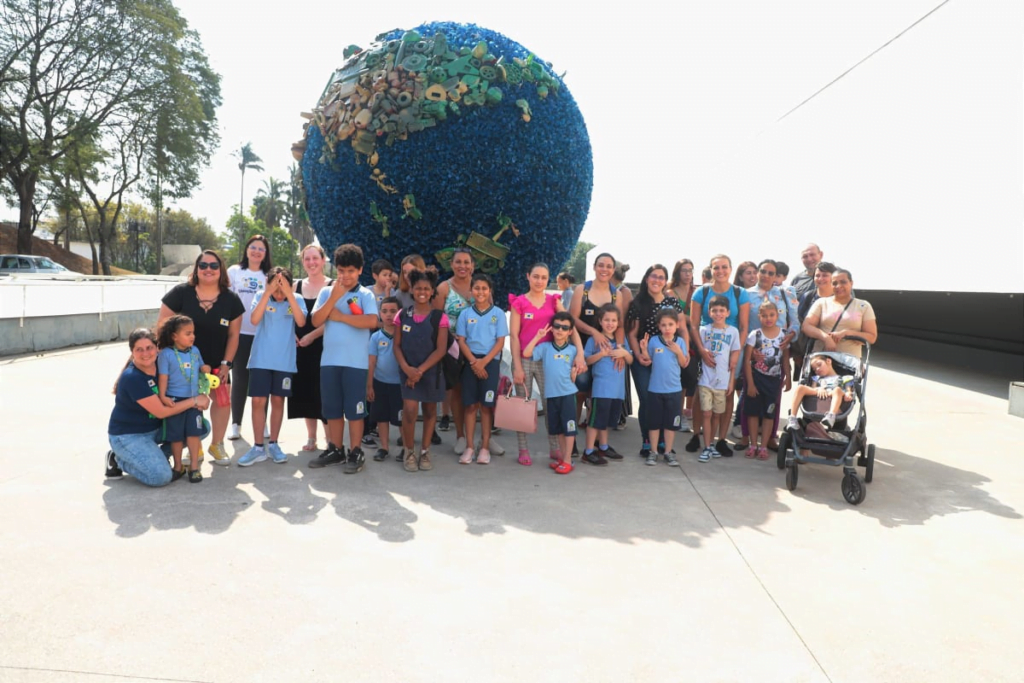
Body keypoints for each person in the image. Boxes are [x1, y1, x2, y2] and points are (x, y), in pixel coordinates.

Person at [159, 250, 243, 465]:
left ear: (221, 270)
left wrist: (227, 363)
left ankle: (217, 444)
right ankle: (194, 449)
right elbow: (162, 326)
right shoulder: (180, 293)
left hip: (217, 364)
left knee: (223, 402)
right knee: (191, 404)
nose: (208, 270)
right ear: (196, 269)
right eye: (203, 265)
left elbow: (234, 335)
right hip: (182, 364)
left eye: (214, 266)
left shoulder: (231, 299)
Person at [107, 329, 213, 486]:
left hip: (156, 429)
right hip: (129, 436)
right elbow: (161, 412)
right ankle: (118, 458)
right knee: (160, 477)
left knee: (200, 428)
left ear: (157, 347)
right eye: (139, 349)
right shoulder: (132, 378)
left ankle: (151, 457)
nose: (145, 353)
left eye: (149, 347)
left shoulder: (162, 364)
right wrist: (195, 401)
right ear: (132, 352)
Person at [309, 244, 379, 474]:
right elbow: (316, 320)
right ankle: (336, 449)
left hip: (356, 364)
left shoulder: (365, 294)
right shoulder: (327, 292)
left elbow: (371, 322)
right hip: (329, 362)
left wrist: (339, 316)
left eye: (350, 271)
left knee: (355, 410)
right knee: (332, 409)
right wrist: (335, 298)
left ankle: (356, 450)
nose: (345, 276)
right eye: (341, 270)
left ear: (360, 270)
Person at [509, 262, 586, 465]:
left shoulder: (553, 300)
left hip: (549, 361)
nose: (539, 281)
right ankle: (523, 448)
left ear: (548, 279)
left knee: (550, 403)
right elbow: (514, 337)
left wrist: (580, 354)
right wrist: (517, 366)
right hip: (525, 358)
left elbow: (571, 326)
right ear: (528, 276)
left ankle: (554, 448)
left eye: (543, 277)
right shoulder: (519, 303)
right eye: (536, 276)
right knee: (522, 407)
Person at [237, 267, 308, 467]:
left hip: (284, 362)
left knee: (278, 401)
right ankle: (258, 447)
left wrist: (288, 293)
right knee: (258, 401)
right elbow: (254, 319)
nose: (278, 294)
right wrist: (268, 291)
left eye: (281, 289)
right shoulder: (262, 296)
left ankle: (274, 444)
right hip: (261, 360)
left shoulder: (297, 299)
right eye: (275, 289)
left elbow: (301, 322)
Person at [689, 254, 750, 457]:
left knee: (727, 393)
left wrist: (736, 353)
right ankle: (696, 434)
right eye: (716, 267)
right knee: (701, 392)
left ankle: (721, 439)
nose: (720, 271)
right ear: (711, 269)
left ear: (731, 269)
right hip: (705, 346)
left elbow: (743, 326)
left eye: (724, 267)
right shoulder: (701, 292)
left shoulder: (740, 293)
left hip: (731, 347)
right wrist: (701, 350)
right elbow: (694, 324)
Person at [736, 259, 799, 449]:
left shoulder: (786, 293)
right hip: (754, 353)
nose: (765, 275)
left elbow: (795, 321)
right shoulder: (745, 294)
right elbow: (742, 324)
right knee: (750, 395)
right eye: (762, 271)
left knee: (774, 397)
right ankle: (746, 436)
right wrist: (750, 348)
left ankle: (770, 437)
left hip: (778, 354)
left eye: (771, 273)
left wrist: (791, 336)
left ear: (775, 276)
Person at [626, 264, 686, 458]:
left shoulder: (673, 303)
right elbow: (632, 334)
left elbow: (683, 328)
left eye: (661, 277)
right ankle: (647, 440)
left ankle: (662, 441)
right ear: (646, 278)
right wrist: (639, 355)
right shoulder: (637, 303)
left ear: (665, 281)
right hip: (644, 358)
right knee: (647, 400)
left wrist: (686, 352)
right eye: (654, 276)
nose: (657, 280)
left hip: (667, 358)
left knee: (666, 401)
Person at [570, 252, 631, 439]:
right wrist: (594, 332)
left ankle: (596, 443)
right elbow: (572, 319)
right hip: (582, 346)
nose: (604, 269)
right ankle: (571, 438)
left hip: (607, 349)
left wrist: (619, 349)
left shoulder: (616, 294)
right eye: (601, 265)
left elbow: (619, 325)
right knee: (579, 389)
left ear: (613, 270)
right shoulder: (582, 290)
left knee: (596, 395)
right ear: (595, 267)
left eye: (608, 266)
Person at [394, 270, 449, 472]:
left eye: (426, 288)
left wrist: (420, 371)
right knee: (409, 410)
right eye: (418, 288)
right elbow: (397, 346)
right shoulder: (403, 315)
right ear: (412, 290)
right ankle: (409, 451)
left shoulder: (439, 317)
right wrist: (408, 369)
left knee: (429, 411)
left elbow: (441, 349)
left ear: (433, 291)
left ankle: (425, 451)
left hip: (431, 372)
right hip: (408, 371)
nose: (422, 292)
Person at [455, 273, 508, 464]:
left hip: (490, 362)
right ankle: (469, 446)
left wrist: (484, 362)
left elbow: (500, 341)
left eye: (484, 288)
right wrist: (474, 362)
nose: (480, 292)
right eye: (476, 288)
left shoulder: (498, 314)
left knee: (486, 407)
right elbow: (461, 340)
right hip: (471, 362)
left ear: (490, 291)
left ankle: (484, 447)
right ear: (471, 291)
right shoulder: (465, 314)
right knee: (470, 406)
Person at [523, 312, 581, 475]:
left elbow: (582, 365)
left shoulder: (573, 350)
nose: (560, 330)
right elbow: (527, 353)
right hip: (551, 395)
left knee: (569, 429)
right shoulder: (545, 347)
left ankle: (568, 460)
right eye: (557, 326)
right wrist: (537, 336)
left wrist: (577, 369)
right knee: (559, 429)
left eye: (565, 328)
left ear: (570, 331)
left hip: (568, 395)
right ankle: (563, 458)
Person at [227, 234, 271, 442]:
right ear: (246, 249)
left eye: (261, 249)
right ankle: (236, 424)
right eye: (253, 247)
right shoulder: (235, 272)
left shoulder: (269, 275)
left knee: (262, 381)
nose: (256, 251)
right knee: (240, 380)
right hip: (239, 334)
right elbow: (226, 299)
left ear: (265, 253)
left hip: (262, 335)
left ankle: (262, 423)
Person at [156, 315, 210, 483]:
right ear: (174, 336)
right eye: (187, 333)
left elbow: (201, 366)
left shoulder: (195, 351)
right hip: (174, 401)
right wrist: (163, 396)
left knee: (194, 434)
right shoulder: (166, 354)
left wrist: (205, 368)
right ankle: (178, 467)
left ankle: (194, 467)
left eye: (193, 333)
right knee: (176, 436)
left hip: (195, 400)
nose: (192, 336)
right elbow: (163, 377)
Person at [290, 245, 332, 452]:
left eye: (315, 258)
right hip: (300, 347)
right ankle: (311, 437)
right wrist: (296, 337)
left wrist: (312, 336)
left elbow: (334, 320)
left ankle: (331, 439)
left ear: (323, 260)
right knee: (306, 391)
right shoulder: (295, 286)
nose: (311, 262)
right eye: (307, 259)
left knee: (325, 393)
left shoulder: (333, 286)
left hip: (326, 346)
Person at [638, 309, 689, 467]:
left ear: (677, 325)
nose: (667, 328)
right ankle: (653, 452)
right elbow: (648, 360)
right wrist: (644, 349)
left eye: (671, 324)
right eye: (664, 325)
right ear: (659, 327)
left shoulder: (680, 342)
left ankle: (668, 451)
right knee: (653, 424)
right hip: (655, 389)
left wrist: (678, 351)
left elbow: (684, 363)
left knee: (670, 424)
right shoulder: (654, 340)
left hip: (674, 390)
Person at [435, 248, 474, 452]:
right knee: (458, 392)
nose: (462, 266)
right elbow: (436, 320)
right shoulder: (444, 288)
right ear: (452, 265)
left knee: (481, 394)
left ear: (472, 266)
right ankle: (460, 436)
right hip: (454, 350)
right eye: (458, 262)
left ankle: (483, 439)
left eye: (466, 262)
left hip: (479, 349)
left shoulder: (481, 287)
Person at [583, 304, 631, 465]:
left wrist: (624, 353)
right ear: (600, 321)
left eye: (613, 320)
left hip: (617, 390)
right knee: (595, 421)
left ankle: (603, 446)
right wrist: (601, 354)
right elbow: (586, 360)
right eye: (606, 320)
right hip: (601, 388)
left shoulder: (621, 340)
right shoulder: (594, 340)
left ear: (618, 322)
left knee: (607, 422)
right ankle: (588, 451)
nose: (610, 323)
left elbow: (631, 360)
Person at [742, 301, 791, 460]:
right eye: (764, 315)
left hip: (773, 381)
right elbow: (747, 361)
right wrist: (750, 384)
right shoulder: (754, 335)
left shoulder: (783, 335)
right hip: (756, 379)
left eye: (771, 315)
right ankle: (753, 444)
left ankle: (763, 447)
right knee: (753, 413)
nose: (768, 318)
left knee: (769, 414)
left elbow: (785, 359)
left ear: (777, 315)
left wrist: (788, 377)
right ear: (759, 317)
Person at [696, 295, 741, 463]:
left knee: (717, 415)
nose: (718, 313)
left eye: (722, 310)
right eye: (714, 310)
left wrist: (731, 383)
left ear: (728, 312)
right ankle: (706, 446)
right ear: (709, 312)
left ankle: (712, 444)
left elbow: (734, 358)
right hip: (705, 380)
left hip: (722, 381)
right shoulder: (704, 330)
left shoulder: (733, 331)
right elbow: (699, 351)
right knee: (706, 413)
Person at [802, 268, 878, 359]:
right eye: (834, 283)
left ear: (851, 283)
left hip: (850, 362)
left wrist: (847, 333)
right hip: (821, 361)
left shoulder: (863, 306)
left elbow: (871, 337)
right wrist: (826, 338)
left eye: (843, 282)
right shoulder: (821, 303)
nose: (838, 286)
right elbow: (806, 326)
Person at [366, 297, 402, 463]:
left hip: (400, 384)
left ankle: (406, 448)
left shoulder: (404, 334)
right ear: (379, 314)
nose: (389, 315)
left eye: (393, 311)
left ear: (400, 313)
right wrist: (370, 385)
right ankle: (384, 447)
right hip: (380, 382)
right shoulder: (375, 337)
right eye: (385, 311)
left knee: (402, 418)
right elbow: (372, 361)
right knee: (381, 417)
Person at [668, 259, 699, 432]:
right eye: (684, 270)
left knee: (693, 377)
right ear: (677, 272)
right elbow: (676, 317)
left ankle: (689, 414)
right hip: (678, 337)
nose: (688, 274)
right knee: (679, 378)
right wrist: (695, 320)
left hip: (697, 337)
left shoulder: (697, 291)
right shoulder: (670, 292)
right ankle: (677, 415)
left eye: (690, 270)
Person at [786, 355, 855, 430]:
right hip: (819, 393)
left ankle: (831, 415)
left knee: (837, 389)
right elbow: (812, 389)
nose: (817, 369)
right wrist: (819, 389)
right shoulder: (816, 378)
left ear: (828, 361)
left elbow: (849, 391)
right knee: (800, 388)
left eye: (819, 365)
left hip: (835, 394)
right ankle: (792, 418)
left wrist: (848, 393)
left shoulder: (844, 378)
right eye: (814, 369)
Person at [793, 261, 836, 376]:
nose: (820, 278)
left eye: (825, 275)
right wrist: (797, 353)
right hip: (809, 351)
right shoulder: (808, 297)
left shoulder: (842, 299)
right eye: (817, 275)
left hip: (836, 351)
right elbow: (798, 323)